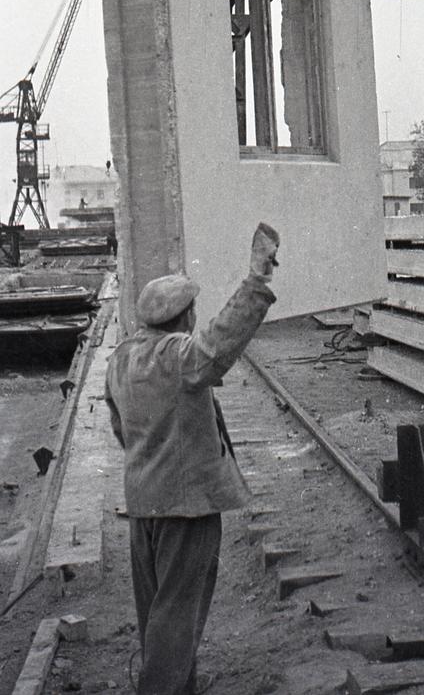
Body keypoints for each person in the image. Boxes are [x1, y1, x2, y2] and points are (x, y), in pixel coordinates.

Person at [105, 222, 280, 695]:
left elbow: (121, 429)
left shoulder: (120, 359)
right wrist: (255, 282)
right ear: (184, 317)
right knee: (178, 621)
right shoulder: (176, 357)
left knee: (158, 618)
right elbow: (218, 345)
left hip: (145, 507)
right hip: (186, 509)